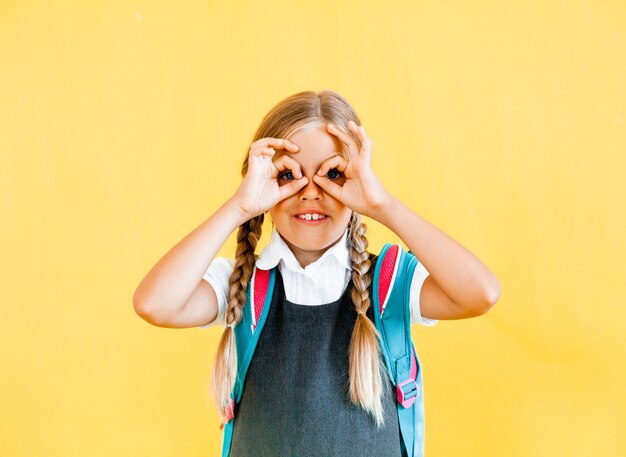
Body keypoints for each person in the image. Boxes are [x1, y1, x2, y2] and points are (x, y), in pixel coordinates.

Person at [133, 89, 501, 456]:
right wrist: (238, 207)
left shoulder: (388, 284)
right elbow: (155, 304)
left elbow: (480, 293)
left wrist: (383, 205)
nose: (310, 192)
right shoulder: (242, 286)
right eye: (288, 175)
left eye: (334, 174)